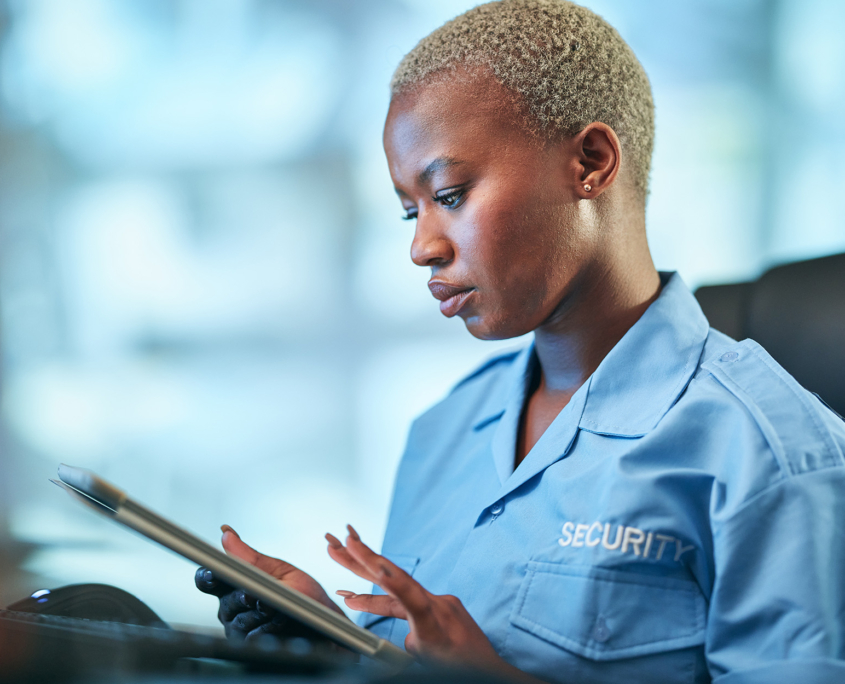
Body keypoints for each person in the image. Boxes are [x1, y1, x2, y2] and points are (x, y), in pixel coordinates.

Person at [196, 1, 845, 682]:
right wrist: (336, 650)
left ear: (589, 162)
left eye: (447, 194)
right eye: (407, 210)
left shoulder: (766, 453)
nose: (421, 246)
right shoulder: (443, 430)